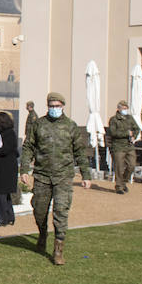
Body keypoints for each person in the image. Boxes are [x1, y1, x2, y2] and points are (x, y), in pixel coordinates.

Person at [20, 92, 91, 265]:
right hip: (42, 175)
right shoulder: (38, 125)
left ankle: (58, 249)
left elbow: (80, 152)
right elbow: (28, 146)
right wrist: (24, 169)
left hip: (63, 176)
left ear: (63, 106)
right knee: (39, 210)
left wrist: (86, 175)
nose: (54, 108)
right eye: (51, 105)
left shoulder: (71, 126)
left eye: (57, 106)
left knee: (61, 211)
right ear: (47, 106)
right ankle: (42, 233)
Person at [106, 100, 141, 194]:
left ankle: (123, 182)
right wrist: (126, 133)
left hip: (129, 145)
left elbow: (137, 128)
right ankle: (119, 186)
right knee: (119, 167)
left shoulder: (130, 118)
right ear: (119, 109)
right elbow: (113, 133)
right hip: (118, 146)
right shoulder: (114, 120)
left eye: (126, 108)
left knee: (132, 165)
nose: (125, 110)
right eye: (123, 108)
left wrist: (134, 135)